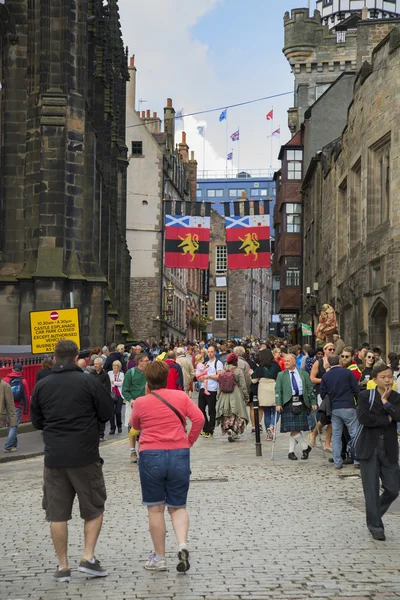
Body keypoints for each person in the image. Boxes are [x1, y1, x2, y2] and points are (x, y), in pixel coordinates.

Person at [30, 340, 114, 582]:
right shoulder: (89, 381)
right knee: (94, 508)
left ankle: (62, 567)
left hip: (54, 457)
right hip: (85, 455)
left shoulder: (42, 385)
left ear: (55, 357)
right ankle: (88, 558)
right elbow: (107, 412)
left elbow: (37, 422)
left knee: (57, 514)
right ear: (77, 356)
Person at [130, 360, 204, 572]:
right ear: (167, 378)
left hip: (151, 454)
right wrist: (188, 441)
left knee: (155, 508)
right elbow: (199, 419)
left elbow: (135, 426)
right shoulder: (180, 397)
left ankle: (160, 558)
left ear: (147, 380)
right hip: (179, 453)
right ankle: (182, 544)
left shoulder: (142, 402)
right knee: (178, 506)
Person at [356, 363, 400, 541]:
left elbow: (398, 416)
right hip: (369, 447)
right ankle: (375, 526)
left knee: (393, 488)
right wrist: (386, 418)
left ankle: (374, 514)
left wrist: (386, 404)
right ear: (375, 380)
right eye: (384, 377)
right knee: (371, 489)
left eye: (390, 376)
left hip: (389, 448)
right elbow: (364, 418)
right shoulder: (365, 396)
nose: (388, 380)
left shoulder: (395, 397)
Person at [320, 354, 360, 470]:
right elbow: (356, 389)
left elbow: (323, 394)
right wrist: (357, 403)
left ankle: (338, 462)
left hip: (335, 409)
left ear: (329, 363)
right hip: (348, 406)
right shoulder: (347, 373)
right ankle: (357, 460)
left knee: (336, 436)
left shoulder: (326, 376)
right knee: (354, 434)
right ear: (339, 361)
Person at [275, 353, 317, 460]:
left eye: (288, 361)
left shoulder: (304, 374)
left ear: (294, 361)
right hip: (288, 402)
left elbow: (309, 389)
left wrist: (313, 402)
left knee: (295, 428)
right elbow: (278, 390)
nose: (286, 363)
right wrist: (278, 403)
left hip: (301, 401)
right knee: (293, 428)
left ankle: (291, 452)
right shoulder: (281, 375)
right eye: (285, 361)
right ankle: (305, 447)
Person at [216, 353, 249, 442]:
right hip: (235, 393)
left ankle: (228, 429)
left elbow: (220, 384)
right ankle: (234, 431)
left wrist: (218, 395)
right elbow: (243, 385)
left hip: (224, 395)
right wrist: (246, 396)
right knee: (237, 413)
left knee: (226, 413)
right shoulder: (238, 371)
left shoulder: (223, 371)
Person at [122, 353, 149, 463]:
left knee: (145, 429)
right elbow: (125, 389)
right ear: (139, 362)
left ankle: (142, 450)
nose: (148, 362)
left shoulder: (149, 373)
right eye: (146, 361)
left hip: (146, 404)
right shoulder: (130, 373)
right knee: (132, 429)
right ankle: (133, 451)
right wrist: (131, 400)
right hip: (133, 403)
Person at [251, 349, 281, 440]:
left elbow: (253, 380)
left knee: (267, 412)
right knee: (277, 410)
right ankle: (271, 426)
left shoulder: (260, 367)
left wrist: (252, 374)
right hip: (273, 388)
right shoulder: (275, 366)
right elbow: (280, 376)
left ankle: (269, 434)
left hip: (263, 390)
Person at [3, 362, 29, 452]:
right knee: (13, 426)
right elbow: (26, 396)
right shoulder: (23, 381)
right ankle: (8, 446)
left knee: (11, 426)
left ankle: (14, 445)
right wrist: (26, 409)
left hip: (7, 406)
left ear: (12, 369)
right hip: (17, 407)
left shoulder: (5, 380)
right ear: (22, 370)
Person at [198, 345, 223, 438]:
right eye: (208, 352)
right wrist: (201, 377)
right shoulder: (207, 362)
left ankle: (210, 429)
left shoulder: (218, 363)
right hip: (203, 388)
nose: (210, 353)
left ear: (215, 352)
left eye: (211, 351)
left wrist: (209, 376)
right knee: (200, 409)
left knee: (211, 410)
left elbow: (219, 376)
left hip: (212, 389)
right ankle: (205, 427)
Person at [91, 357, 112, 443]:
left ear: (101, 365)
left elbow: (108, 387)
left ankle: (101, 434)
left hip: (101, 398)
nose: (95, 365)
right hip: (93, 398)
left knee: (101, 416)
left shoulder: (105, 375)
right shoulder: (91, 374)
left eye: (97, 364)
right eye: (94, 364)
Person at [108, 360, 125, 435]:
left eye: (116, 366)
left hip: (119, 395)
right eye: (113, 365)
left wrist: (114, 383)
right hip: (111, 394)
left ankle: (119, 426)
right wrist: (116, 382)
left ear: (119, 367)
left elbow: (121, 383)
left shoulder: (121, 374)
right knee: (111, 413)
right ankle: (112, 428)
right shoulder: (109, 373)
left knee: (118, 411)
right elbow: (108, 383)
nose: (114, 367)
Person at [1, 379, 17, 453]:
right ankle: (9, 447)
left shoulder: (5, 386)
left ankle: (11, 445)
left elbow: (10, 405)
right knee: (13, 427)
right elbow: (10, 405)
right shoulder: (5, 386)